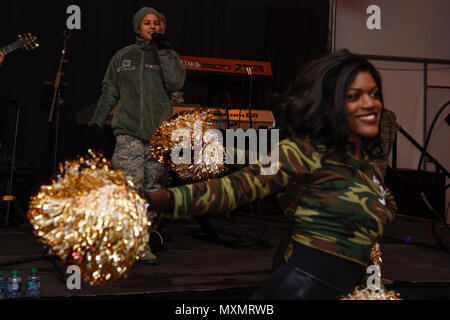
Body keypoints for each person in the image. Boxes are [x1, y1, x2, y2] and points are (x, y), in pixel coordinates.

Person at [145, 50, 397, 299]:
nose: (370, 103)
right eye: (355, 96)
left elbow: (377, 221)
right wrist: (163, 198)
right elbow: (236, 188)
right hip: (300, 285)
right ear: (330, 105)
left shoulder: (367, 168)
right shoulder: (303, 151)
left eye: (374, 94)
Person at [87, 7, 186, 264]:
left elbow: (176, 83)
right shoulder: (122, 57)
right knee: (128, 187)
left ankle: (142, 241)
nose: (152, 27)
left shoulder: (169, 55)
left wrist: (164, 52)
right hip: (128, 132)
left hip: (157, 133)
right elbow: (109, 91)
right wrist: (97, 120)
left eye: (156, 23)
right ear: (138, 28)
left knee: (153, 189)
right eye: (147, 23)